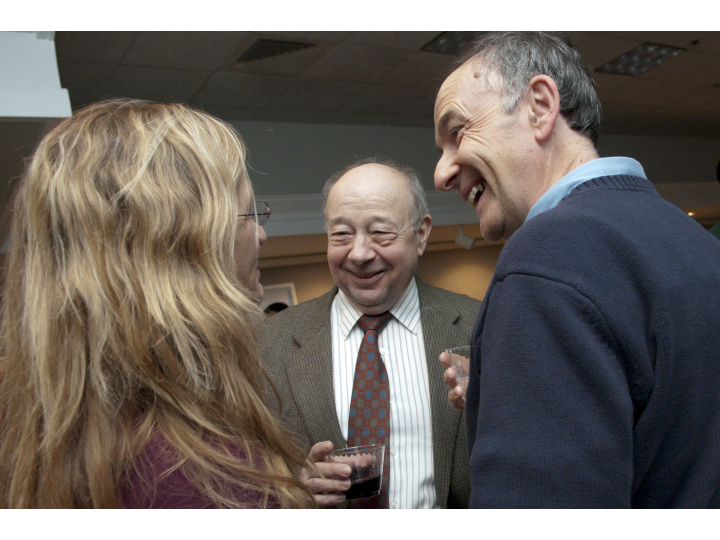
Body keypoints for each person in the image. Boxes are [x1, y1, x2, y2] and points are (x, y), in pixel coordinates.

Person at [434, 32, 720, 508]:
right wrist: (516, 384)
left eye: (457, 131)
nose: (442, 173)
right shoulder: (694, 239)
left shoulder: (542, 259)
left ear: (540, 106)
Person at [0, 100, 313, 508]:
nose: (261, 234)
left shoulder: (37, 432)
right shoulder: (199, 479)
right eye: (247, 214)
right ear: (186, 251)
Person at [262, 158, 481, 508]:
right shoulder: (269, 343)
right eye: (341, 234)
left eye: (380, 232)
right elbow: (241, 474)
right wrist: (290, 492)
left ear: (421, 234)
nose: (360, 253)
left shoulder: (478, 326)